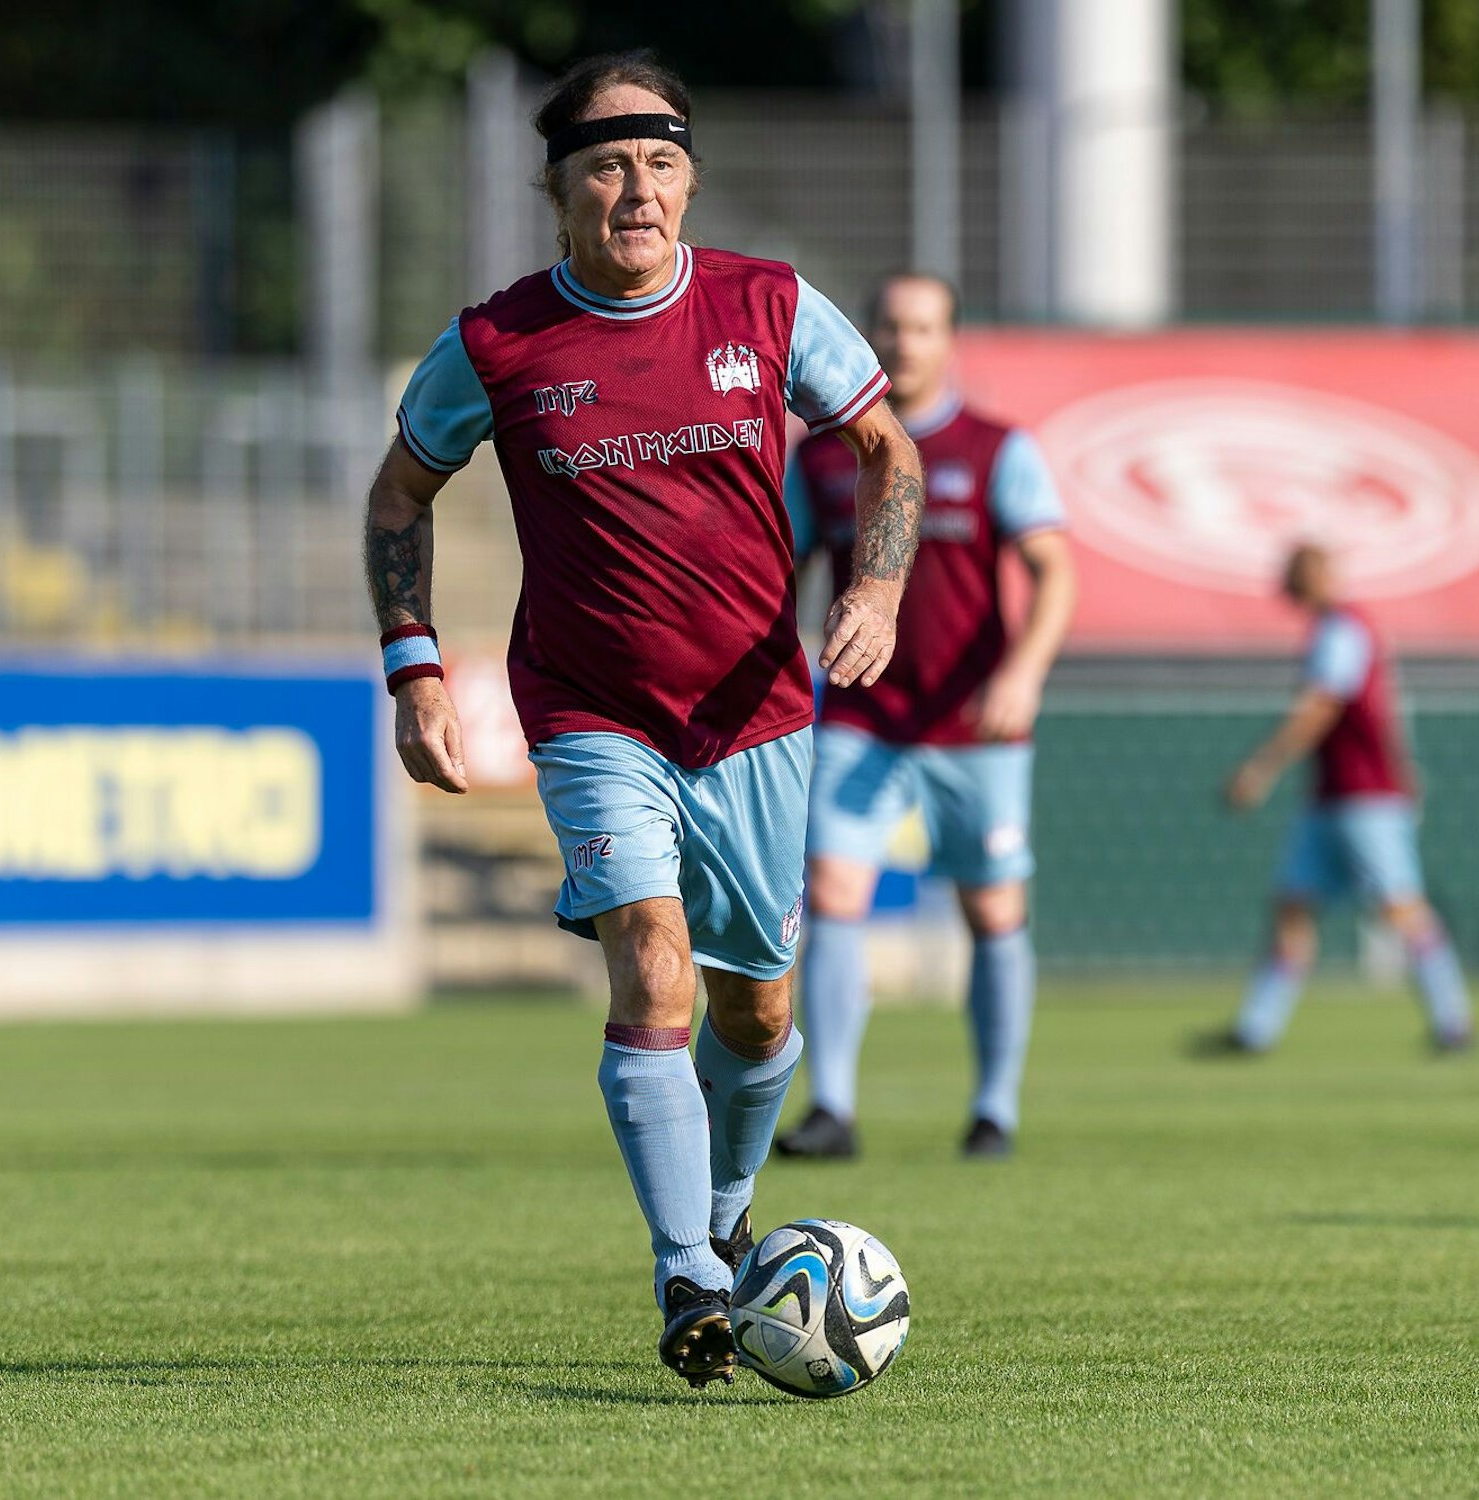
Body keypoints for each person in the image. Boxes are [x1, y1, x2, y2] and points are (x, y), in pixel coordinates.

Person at [361, 52, 923, 1388]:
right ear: (558, 190)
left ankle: (725, 1216)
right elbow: (398, 495)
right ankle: (687, 1276)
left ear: (690, 181)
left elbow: (886, 448)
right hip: (590, 711)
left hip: (754, 712)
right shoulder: (495, 345)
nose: (638, 191)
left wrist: (879, 586)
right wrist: (414, 665)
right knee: (652, 966)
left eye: (661, 164)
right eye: (608, 167)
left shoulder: (769, 305)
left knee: (758, 1015)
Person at [774, 273, 1075, 1163]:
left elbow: (1055, 570)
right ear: (868, 337)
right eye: (890, 327)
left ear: (949, 339)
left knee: (993, 908)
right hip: (859, 719)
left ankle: (994, 1111)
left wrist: (1023, 674)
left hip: (973, 724)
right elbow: (779, 573)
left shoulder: (994, 449)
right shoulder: (825, 457)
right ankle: (832, 1106)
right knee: (834, 895)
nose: (904, 342)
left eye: (922, 327)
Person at [1203, 543, 1473, 1054]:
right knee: (1293, 906)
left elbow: (1321, 706)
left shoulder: (1343, 630)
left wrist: (1262, 766)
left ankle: (1453, 1020)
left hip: (1366, 794)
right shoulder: (1336, 628)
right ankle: (1255, 1029)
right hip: (1329, 796)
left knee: (1400, 905)